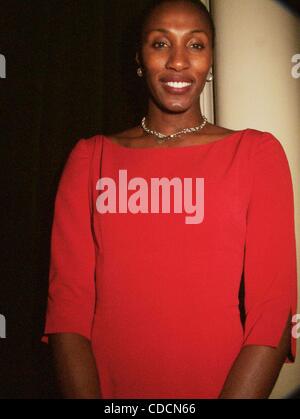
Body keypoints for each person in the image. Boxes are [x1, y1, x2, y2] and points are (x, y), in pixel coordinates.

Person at [42, 0, 298, 399]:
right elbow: (67, 311)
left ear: (211, 60)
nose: (178, 62)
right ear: (139, 60)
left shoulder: (255, 154)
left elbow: (273, 312)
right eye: (160, 44)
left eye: (195, 45)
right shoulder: (91, 158)